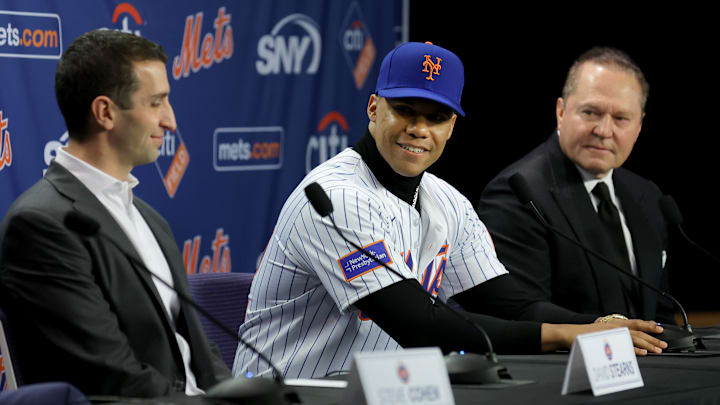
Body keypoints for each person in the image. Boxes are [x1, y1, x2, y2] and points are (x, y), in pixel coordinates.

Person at [233, 42, 666, 380]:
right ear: (372, 108)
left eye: (436, 117)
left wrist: (603, 324)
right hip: (290, 392)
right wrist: (573, 336)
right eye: (404, 110)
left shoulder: (445, 201)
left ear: (452, 127)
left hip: (385, 391)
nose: (419, 129)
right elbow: (419, 324)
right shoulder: (334, 196)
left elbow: (509, 305)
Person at [0, 30, 230, 397]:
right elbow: (111, 377)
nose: (170, 121)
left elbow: (200, 354)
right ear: (105, 112)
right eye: (156, 103)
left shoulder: (150, 219)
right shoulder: (40, 224)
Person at [477, 47, 675, 324]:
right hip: (562, 364)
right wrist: (609, 331)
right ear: (561, 111)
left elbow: (661, 310)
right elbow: (521, 313)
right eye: (591, 112)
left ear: (639, 126)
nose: (604, 131)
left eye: (621, 118)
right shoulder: (518, 192)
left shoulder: (647, 196)